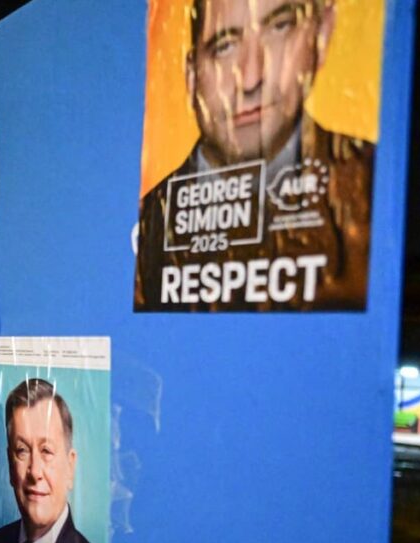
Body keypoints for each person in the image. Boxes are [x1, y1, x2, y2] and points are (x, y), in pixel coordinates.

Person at [135, 0, 374, 311]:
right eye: (224, 46)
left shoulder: (371, 189)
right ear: (192, 76)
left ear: (322, 32)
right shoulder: (145, 226)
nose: (250, 78)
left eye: (280, 27)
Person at [0, 379, 106, 543]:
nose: (35, 471)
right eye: (22, 451)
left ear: (70, 466)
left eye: (46, 451)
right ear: (10, 465)